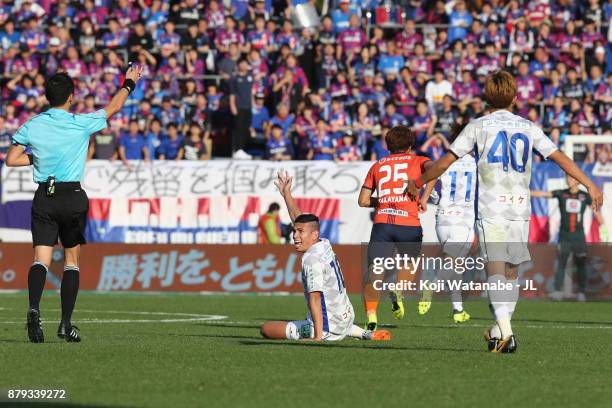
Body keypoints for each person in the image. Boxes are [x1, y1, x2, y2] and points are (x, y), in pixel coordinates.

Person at [404, 70, 604, 353]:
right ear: (516, 97)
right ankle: (499, 331)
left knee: (495, 269)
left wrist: (417, 183)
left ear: (486, 97)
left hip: (492, 207)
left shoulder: (478, 126)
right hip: (520, 208)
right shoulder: (528, 126)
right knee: (511, 272)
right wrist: (590, 185)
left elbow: (442, 164)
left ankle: (507, 332)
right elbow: (561, 159)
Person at [5, 65, 144, 343]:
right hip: (72, 195)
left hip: (44, 195)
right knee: (71, 261)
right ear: (70, 97)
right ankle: (66, 324)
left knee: (40, 260)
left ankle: (34, 309)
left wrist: (39, 158)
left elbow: (11, 159)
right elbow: (113, 108)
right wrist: (129, 83)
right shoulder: (80, 123)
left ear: (47, 97)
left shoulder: (33, 124)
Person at [260, 171, 390, 342]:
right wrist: (287, 194)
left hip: (329, 328)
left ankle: (324, 332)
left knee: (267, 329)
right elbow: (299, 220)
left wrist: (318, 336)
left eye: (300, 233)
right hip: (347, 317)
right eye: (295, 231)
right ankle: (365, 333)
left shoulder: (311, 259)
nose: (295, 236)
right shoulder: (323, 243)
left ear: (313, 235)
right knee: (333, 311)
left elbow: (315, 299)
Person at [357, 125, 434, 331]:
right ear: (410, 145)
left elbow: (363, 201)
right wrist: (423, 197)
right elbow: (435, 169)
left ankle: (371, 315)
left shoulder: (377, 165)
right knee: (409, 265)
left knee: (375, 272)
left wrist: (384, 201)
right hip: (408, 223)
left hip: (382, 223)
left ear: (387, 145)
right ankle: (398, 290)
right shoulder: (417, 160)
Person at [417, 123, 476, 323]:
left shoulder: (444, 161)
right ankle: (430, 287)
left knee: (455, 266)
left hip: (442, 218)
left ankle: (458, 309)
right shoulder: (477, 162)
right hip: (463, 219)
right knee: (453, 262)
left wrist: (425, 198)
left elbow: (432, 179)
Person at [532, 175, 607, 301]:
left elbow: (596, 211)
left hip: (578, 236)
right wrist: (528, 192)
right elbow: (544, 194)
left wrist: (603, 227)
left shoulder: (584, 196)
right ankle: (557, 291)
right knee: (561, 263)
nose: (569, 180)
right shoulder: (562, 193)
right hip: (564, 235)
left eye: (571, 178)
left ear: (577, 181)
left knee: (581, 264)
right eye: (567, 178)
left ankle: (582, 292)